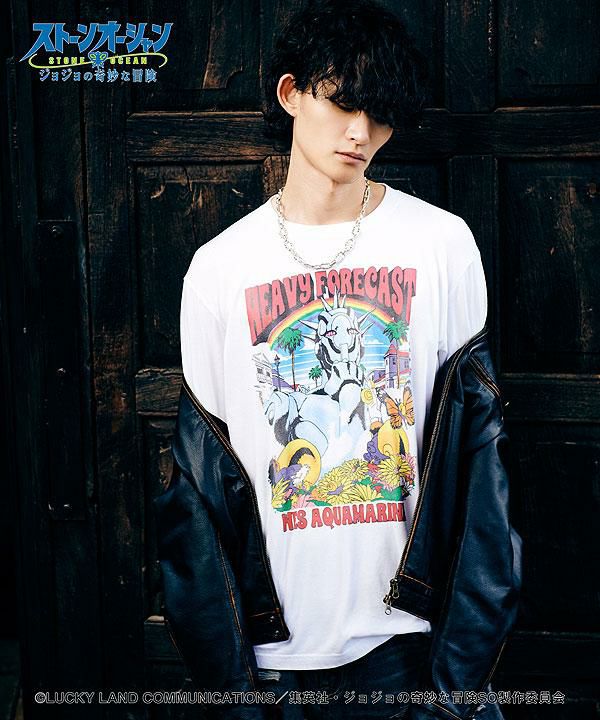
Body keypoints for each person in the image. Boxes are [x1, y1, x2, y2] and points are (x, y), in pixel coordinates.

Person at [153, 1, 522, 719]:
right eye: (344, 103)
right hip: (270, 663)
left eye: (381, 117)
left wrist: (455, 685)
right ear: (291, 94)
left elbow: (482, 468)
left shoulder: (442, 245)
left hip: (407, 650)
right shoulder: (218, 269)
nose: (361, 133)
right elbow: (197, 498)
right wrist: (230, 692)